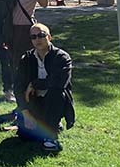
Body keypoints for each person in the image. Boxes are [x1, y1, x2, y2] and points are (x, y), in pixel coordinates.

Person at [15, 23, 75, 152]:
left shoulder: (62, 57)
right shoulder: (26, 59)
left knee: (56, 92)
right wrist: (25, 113)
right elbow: (18, 87)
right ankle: (50, 124)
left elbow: (58, 83)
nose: (38, 39)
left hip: (55, 101)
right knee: (25, 136)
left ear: (49, 37)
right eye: (34, 37)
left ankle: (50, 137)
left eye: (41, 35)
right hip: (34, 101)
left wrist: (34, 84)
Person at [3, 0, 48, 79]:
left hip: (28, 28)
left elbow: (44, 4)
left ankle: (33, 83)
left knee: (31, 58)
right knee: (14, 60)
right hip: (12, 29)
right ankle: (18, 86)